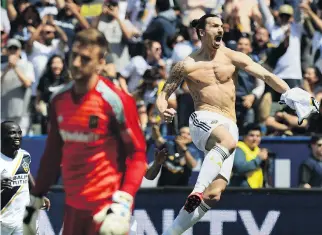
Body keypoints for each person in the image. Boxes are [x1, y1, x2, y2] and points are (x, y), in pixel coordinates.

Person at [156, 14, 317, 235]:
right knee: (227, 143)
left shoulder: (232, 56)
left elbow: (266, 75)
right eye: (214, 25)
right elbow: (163, 94)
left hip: (229, 123)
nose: (220, 29)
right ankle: (197, 189)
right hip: (202, 119)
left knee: (214, 195)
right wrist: (162, 108)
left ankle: (171, 232)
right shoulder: (186, 65)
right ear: (202, 32)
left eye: (221, 25)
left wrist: (288, 92)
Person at [23, 28, 147, 235]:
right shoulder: (58, 100)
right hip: (73, 209)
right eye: (74, 56)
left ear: (101, 62)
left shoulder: (116, 101)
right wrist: (34, 200)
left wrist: (123, 203)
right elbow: (52, 155)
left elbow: (138, 154)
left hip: (107, 210)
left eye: (85, 59)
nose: (77, 63)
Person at [0, 121, 50, 235]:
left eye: (19, 133)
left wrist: (39, 195)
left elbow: (27, 174)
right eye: (12, 133)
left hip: (21, 219)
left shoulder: (25, 155)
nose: (17, 136)